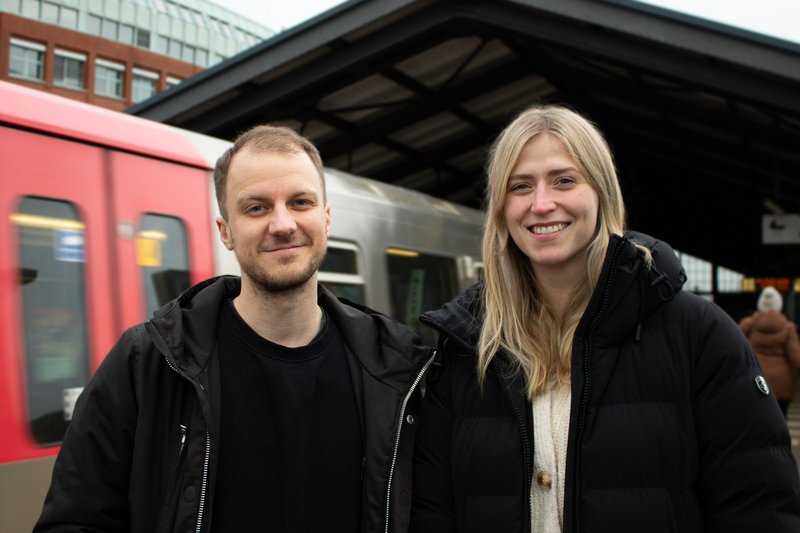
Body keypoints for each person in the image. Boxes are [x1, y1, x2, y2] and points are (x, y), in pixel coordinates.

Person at [410, 105, 800, 533]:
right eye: (520, 186)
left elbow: (759, 509)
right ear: (502, 207)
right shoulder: (467, 346)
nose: (542, 204)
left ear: (602, 192)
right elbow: (433, 509)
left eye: (564, 180)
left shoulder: (700, 335)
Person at [34, 125, 433, 533]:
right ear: (225, 232)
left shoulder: (396, 364)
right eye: (256, 208)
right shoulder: (146, 363)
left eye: (300, 202)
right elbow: (75, 520)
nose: (282, 224)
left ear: (326, 219)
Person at [739, 286, 800, 418]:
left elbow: (735, 352)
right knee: (781, 419)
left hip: (755, 381)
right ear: (779, 305)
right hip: (783, 385)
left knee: (757, 421)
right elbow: (797, 359)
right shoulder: (788, 328)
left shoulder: (748, 325)